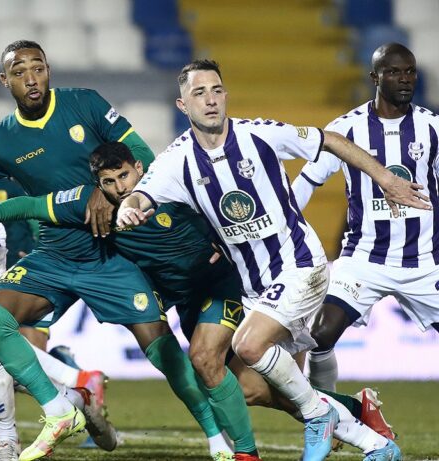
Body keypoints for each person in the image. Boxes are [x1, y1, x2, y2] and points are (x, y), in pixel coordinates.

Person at [0, 40, 245, 461]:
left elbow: (142, 156)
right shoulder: (0, 140)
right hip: (54, 252)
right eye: (19, 72)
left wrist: (109, 194)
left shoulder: (84, 103)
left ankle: (216, 437)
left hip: (110, 254)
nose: (31, 78)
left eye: (38, 68)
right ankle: (58, 410)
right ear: (5, 80)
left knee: (161, 350)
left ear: (48, 70)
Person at [116, 59, 425, 461]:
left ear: (226, 95)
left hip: (300, 266)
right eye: (199, 93)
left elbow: (330, 140)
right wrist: (128, 208)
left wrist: (386, 179)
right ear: (182, 104)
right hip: (255, 289)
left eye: (216, 90)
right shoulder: (178, 161)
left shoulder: (259, 135)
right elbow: (141, 195)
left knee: (248, 345)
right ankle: (376, 443)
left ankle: (318, 415)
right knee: (252, 388)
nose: (210, 100)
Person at [0, 141, 262, 460]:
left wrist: (227, 241)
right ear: (98, 185)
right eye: (109, 181)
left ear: (139, 168)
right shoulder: (95, 204)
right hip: (164, 289)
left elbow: (220, 202)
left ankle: (235, 436)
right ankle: (225, 440)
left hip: (214, 285)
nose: (120, 188)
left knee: (232, 375)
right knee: (213, 370)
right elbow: (30, 205)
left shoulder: (169, 188)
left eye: (124, 176)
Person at [292, 43, 439, 421]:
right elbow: (306, 182)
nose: (405, 79)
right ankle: (326, 419)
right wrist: (282, 228)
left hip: (425, 262)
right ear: (375, 77)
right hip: (364, 259)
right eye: (394, 72)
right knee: (320, 336)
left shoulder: (433, 128)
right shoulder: (346, 129)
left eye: (410, 71)